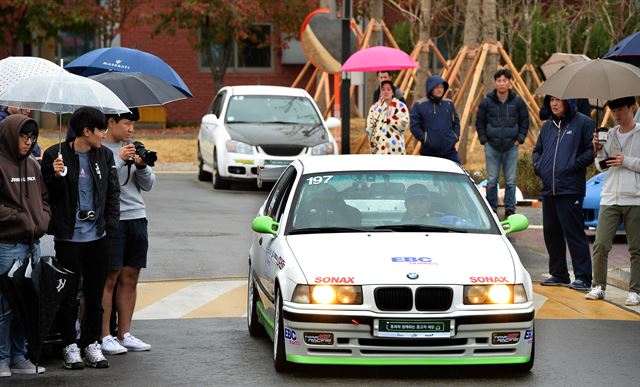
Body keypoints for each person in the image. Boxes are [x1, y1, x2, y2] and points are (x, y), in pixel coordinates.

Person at [41, 107, 120, 370]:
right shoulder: (56, 154)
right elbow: (48, 195)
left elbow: (112, 195)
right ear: (86, 131)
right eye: (101, 130)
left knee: (94, 294)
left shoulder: (104, 156)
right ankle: (69, 345)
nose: (104, 134)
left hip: (98, 237)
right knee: (68, 295)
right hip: (68, 238)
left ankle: (91, 343)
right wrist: (55, 175)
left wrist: (109, 227)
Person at [99, 108, 154, 355]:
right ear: (111, 122)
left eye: (133, 125)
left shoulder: (133, 148)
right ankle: (104, 336)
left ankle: (125, 333)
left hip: (137, 218)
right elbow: (100, 184)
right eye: (127, 124)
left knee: (131, 277)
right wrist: (119, 160)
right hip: (113, 221)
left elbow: (148, 185)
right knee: (109, 278)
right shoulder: (100, 150)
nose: (131, 130)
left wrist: (141, 166)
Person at [0, 115, 50, 377]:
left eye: (32, 138)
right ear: (10, 135)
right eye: (24, 136)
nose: (29, 142)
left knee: (27, 305)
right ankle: (2, 358)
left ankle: (19, 357)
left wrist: (42, 219)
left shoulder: (33, 165)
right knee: (5, 307)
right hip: (7, 245)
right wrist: (20, 217)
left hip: (33, 244)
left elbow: (43, 199)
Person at [533, 96, 594, 290]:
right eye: (551, 100)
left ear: (569, 102)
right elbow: (537, 150)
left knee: (574, 234)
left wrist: (573, 165)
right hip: (549, 189)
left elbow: (592, 150)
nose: (554, 104)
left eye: (558, 100)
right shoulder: (548, 126)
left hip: (570, 188)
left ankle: (583, 277)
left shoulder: (583, 123)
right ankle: (559, 274)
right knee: (551, 233)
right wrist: (538, 166)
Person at [585, 96, 640, 306]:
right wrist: (597, 149)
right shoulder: (609, 134)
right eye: (614, 111)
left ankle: (635, 290)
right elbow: (601, 166)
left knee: (636, 248)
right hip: (609, 197)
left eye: (621, 110)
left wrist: (627, 161)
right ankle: (598, 286)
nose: (617, 115)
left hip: (635, 198)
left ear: (632, 108)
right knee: (600, 244)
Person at [476, 69, 530, 219]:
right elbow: (480, 121)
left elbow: (525, 121)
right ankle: (492, 210)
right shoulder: (487, 102)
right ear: (495, 83)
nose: (502, 84)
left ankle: (510, 210)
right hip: (492, 146)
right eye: (499, 81)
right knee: (492, 181)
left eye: (505, 80)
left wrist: (520, 138)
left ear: (509, 82)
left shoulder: (517, 102)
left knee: (511, 181)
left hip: (511, 146)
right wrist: (484, 139)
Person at [410, 75, 461, 163]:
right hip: (429, 152)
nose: (440, 89)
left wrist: (455, 137)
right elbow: (415, 126)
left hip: (449, 150)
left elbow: (456, 122)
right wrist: (425, 139)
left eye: (441, 87)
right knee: (430, 176)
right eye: (436, 87)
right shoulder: (419, 105)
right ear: (430, 88)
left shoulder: (449, 104)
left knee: (458, 174)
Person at [365, 80, 409, 155]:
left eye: (389, 89)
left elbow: (404, 124)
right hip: (379, 149)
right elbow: (370, 127)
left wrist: (389, 120)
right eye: (383, 89)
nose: (386, 92)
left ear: (392, 92)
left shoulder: (401, 106)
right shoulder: (374, 108)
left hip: (396, 150)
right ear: (380, 92)